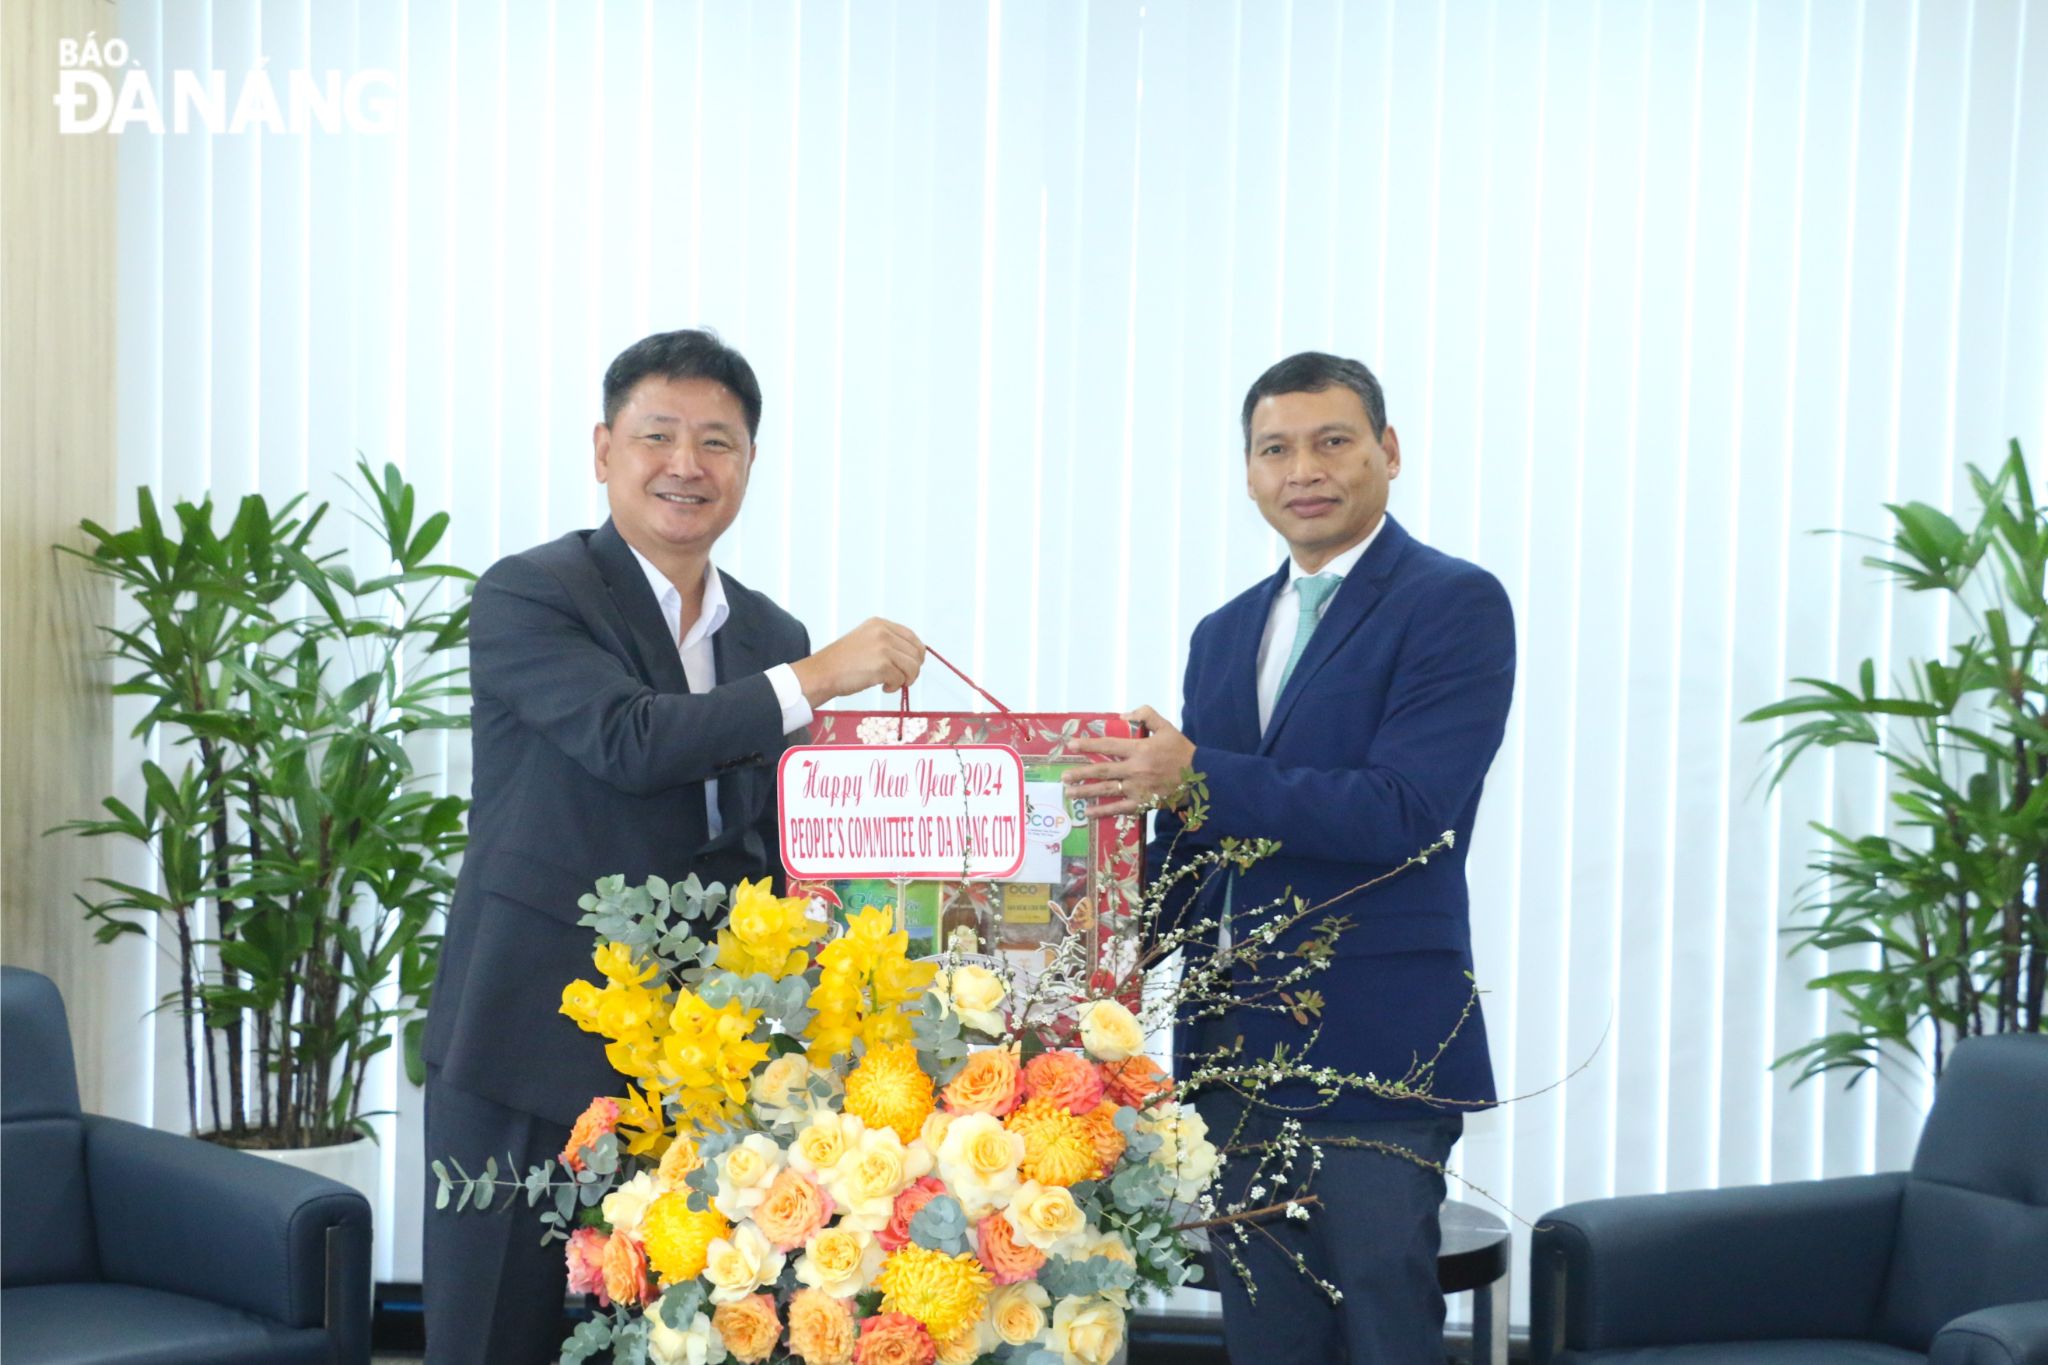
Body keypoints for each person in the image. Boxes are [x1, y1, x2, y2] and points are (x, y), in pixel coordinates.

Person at [421, 329, 924, 1365]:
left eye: (718, 442)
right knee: (492, 1335)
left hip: (699, 1060)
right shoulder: (533, 593)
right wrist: (818, 678)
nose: (686, 465)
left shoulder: (768, 631)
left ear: (748, 465)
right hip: (525, 1037)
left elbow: (781, 840)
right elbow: (628, 741)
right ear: (604, 450)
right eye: (659, 436)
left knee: (674, 1340)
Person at [1066, 351, 1515, 1363]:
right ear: (1248, 472)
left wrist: (1189, 775)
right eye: (1274, 448)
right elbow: (1195, 840)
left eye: (1331, 441)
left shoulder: (1453, 604)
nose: (1301, 468)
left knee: (1381, 1322)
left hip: (1376, 1050)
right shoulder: (1222, 634)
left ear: (1386, 453)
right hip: (1234, 1052)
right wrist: (1076, 954)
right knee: (1267, 1334)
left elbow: (1405, 810)